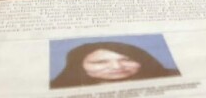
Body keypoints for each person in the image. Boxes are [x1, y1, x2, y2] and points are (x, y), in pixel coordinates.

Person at [50, 41, 179, 89]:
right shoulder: (57, 88)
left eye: (127, 60)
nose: (117, 67)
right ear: (78, 66)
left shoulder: (174, 77)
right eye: (100, 62)